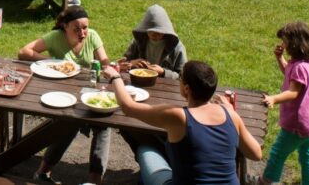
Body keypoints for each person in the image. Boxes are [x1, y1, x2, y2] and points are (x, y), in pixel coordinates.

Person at [99, 60, 262, 185]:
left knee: (145, 150)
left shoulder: (179, 117)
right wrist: (231, 113)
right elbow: (256, 154)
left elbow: (128, 108)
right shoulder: (231, 115)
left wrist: (115, 77)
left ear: (187, 89)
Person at [19, 7, 111, 184]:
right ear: (64, 26)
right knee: (68, 122)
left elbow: (104, 61)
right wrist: (53, 63)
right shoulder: (55, 37)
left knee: (103, 125)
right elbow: (24, 52)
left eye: (85, 27)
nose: (83, 33)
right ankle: (43, 173)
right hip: (62, 93)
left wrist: (112, 66)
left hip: (88, 91)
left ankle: (94, 180)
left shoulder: (92, 35)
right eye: (77, 29)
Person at [261, 22, 309, 185]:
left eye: (285, 41)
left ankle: (266, 181)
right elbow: (290, 76)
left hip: (297, 125)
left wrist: (274, 98)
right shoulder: (307, 63)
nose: (283, 44)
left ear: (295, 44)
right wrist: (279, 58)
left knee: (277, 153)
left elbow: (293, 92)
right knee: (307, 158)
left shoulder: (299, 67)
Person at [118, 4, 188, 80]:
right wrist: (132, 63)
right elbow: (122, 65)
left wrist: (163, 72)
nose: (154, 35)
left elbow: (183, 77)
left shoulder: (176, 48)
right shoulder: (138, 42)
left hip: (165, 87)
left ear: (166, 30)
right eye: (150, 31)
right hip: (139, 83)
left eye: (158, 32)